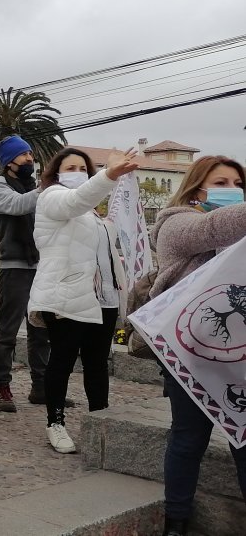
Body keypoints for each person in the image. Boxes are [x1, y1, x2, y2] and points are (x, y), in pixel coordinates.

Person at [148, 155, 246, 536]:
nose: (231, 190)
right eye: (220, 183)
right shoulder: (176, 224)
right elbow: (214, 227)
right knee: (189, 437)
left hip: (238, 357)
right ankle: (176, 522)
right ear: (196, 188)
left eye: (237, 183)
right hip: (187, 355)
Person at [28, 147, 138, 454]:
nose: (77, 171)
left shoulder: (95, 214)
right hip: (66, 298)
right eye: (70, 166)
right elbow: (76, 201)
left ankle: (99, 421)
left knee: (97, 364)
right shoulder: (51, 198)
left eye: (82, 167)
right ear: (56, 172)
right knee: (61, 362)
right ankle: (56, 423)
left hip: (103, 299)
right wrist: (110, 175)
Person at [0, 135, 54, 412]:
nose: (30, 158)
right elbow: (18, 205)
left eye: (30, 153)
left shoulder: (34, 187)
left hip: (41, 267)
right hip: (13, 269)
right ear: (8, 162)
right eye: (23, 154)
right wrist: (49, 190)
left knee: (41, 332)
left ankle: (41, 388)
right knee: (7, 333)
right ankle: (1, 388)